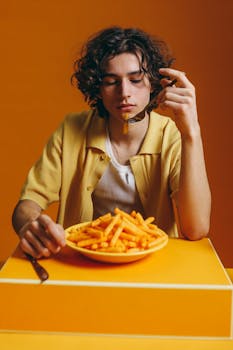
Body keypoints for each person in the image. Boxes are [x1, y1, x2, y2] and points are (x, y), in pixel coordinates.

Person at [12, 26, 211, 259]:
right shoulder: (71, 130)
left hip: (156, 265)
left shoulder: (171, 136)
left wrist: (192, 133)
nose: (124, 92)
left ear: (154, 83)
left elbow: (196, 229)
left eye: (136, 80)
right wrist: (30, 225)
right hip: (84, 261)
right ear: (97, 87)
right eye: (110, 82)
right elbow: (28, 203)